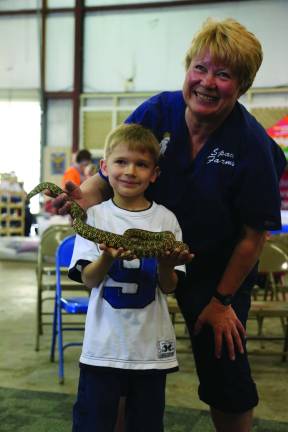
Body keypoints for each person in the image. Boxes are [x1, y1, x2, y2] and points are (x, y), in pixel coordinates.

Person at [54, 18, 286, 432]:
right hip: (144, 251)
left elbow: (254, 237)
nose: (207, 82)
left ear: (243, 85)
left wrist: (220, 303)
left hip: (218, 269)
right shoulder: (157, 112)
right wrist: (78, 198)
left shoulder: (253, 145)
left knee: (225, 365)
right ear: (187, 69)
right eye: (200, 68)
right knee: (124, 357)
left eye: (224, 74)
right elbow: (112, 173)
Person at [68, 123, 190, 432]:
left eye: (141, 164)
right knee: (92, 424)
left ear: (155, 174)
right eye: (121, 162)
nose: (130, 171)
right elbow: (90, 281)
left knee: (146, 425)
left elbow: (169, 285)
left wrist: (166, 263)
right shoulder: (94, 217)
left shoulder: (166, 220)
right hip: (102, 348)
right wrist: (107, 256)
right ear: (105, 167)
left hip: (151, 350)